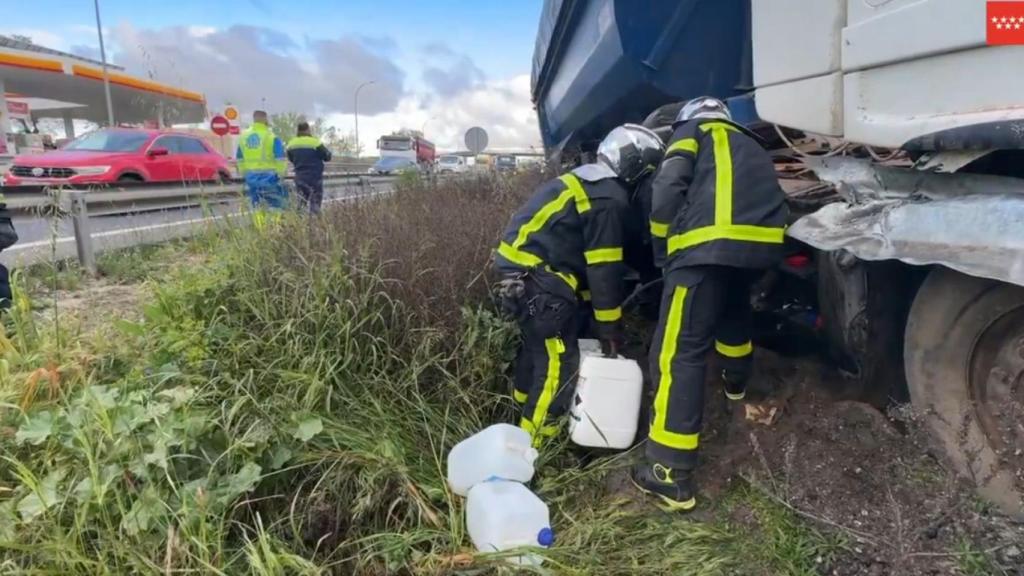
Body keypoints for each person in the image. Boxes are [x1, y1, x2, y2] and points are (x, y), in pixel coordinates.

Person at [632, 97, 789, 511]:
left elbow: (667, 190)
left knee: (676, 352)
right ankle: (736, 389)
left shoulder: (690, 133)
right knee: (735, 318)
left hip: (701, 252)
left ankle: (669, 473)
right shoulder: (752, 141)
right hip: (755, 253)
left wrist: (664, 250)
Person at [495, 124, 664, 446]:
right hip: (539, 280)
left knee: (535, 350)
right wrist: (610, 329)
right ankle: (534, 448)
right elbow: (603, 269)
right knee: (559, 362)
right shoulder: (608, 199)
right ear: (636, 168)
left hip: (518, 274)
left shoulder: (587, 183)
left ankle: (516, 415)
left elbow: (576, 258)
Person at [236, 110, 288, 210]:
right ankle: (274, 224)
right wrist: (281, 175)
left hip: (251, 177)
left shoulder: (243, 137)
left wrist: (244, 173)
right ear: (265, 120)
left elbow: (240, 158)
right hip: (269, 177)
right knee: (274, 204)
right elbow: (280, 158)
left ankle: (260, 224)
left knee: (257, 205)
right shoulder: (271, 137)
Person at [286, 121, 332, 214]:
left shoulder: (291, 144)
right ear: (308, 130)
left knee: (301, 203)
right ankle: (314, 225)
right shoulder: (315, 142)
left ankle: (300, 224)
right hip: (314, 177)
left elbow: (291, 159)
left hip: (300, 177)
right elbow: (327, 156)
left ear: (298, 130)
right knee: (315, 202)